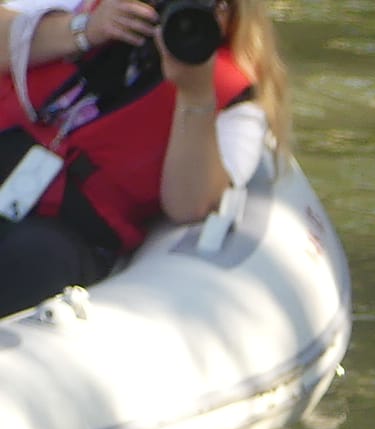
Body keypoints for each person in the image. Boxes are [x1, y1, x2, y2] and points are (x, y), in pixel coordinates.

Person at [0, 0, 290, 314]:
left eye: (211, 4)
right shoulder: (92, 10)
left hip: (61, 236)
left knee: (37, 254)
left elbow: (189, 205)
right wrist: (84, 29)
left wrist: (195, 94)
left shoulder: (237, 104)